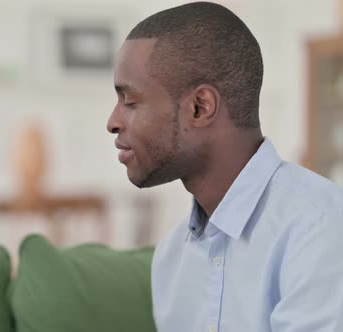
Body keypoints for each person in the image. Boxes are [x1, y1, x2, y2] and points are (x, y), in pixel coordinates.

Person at [107, 2, 343, 331]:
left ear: (200, 108)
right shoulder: (171, 258)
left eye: (130, 101)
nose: (113, 122)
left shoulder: (322, 227)